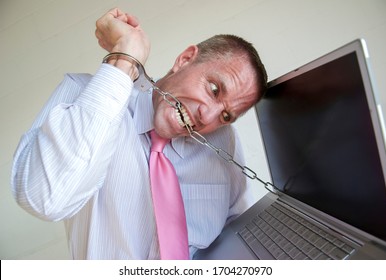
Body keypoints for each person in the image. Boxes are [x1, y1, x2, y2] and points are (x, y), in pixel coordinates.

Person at [11, 8, 267, 259]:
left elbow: (238, 229)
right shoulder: (83, 97)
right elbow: (45, 199)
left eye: (225, 116)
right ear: (185, 59)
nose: (208, 117)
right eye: (214, 89)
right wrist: (125, 57)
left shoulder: (222, 141)